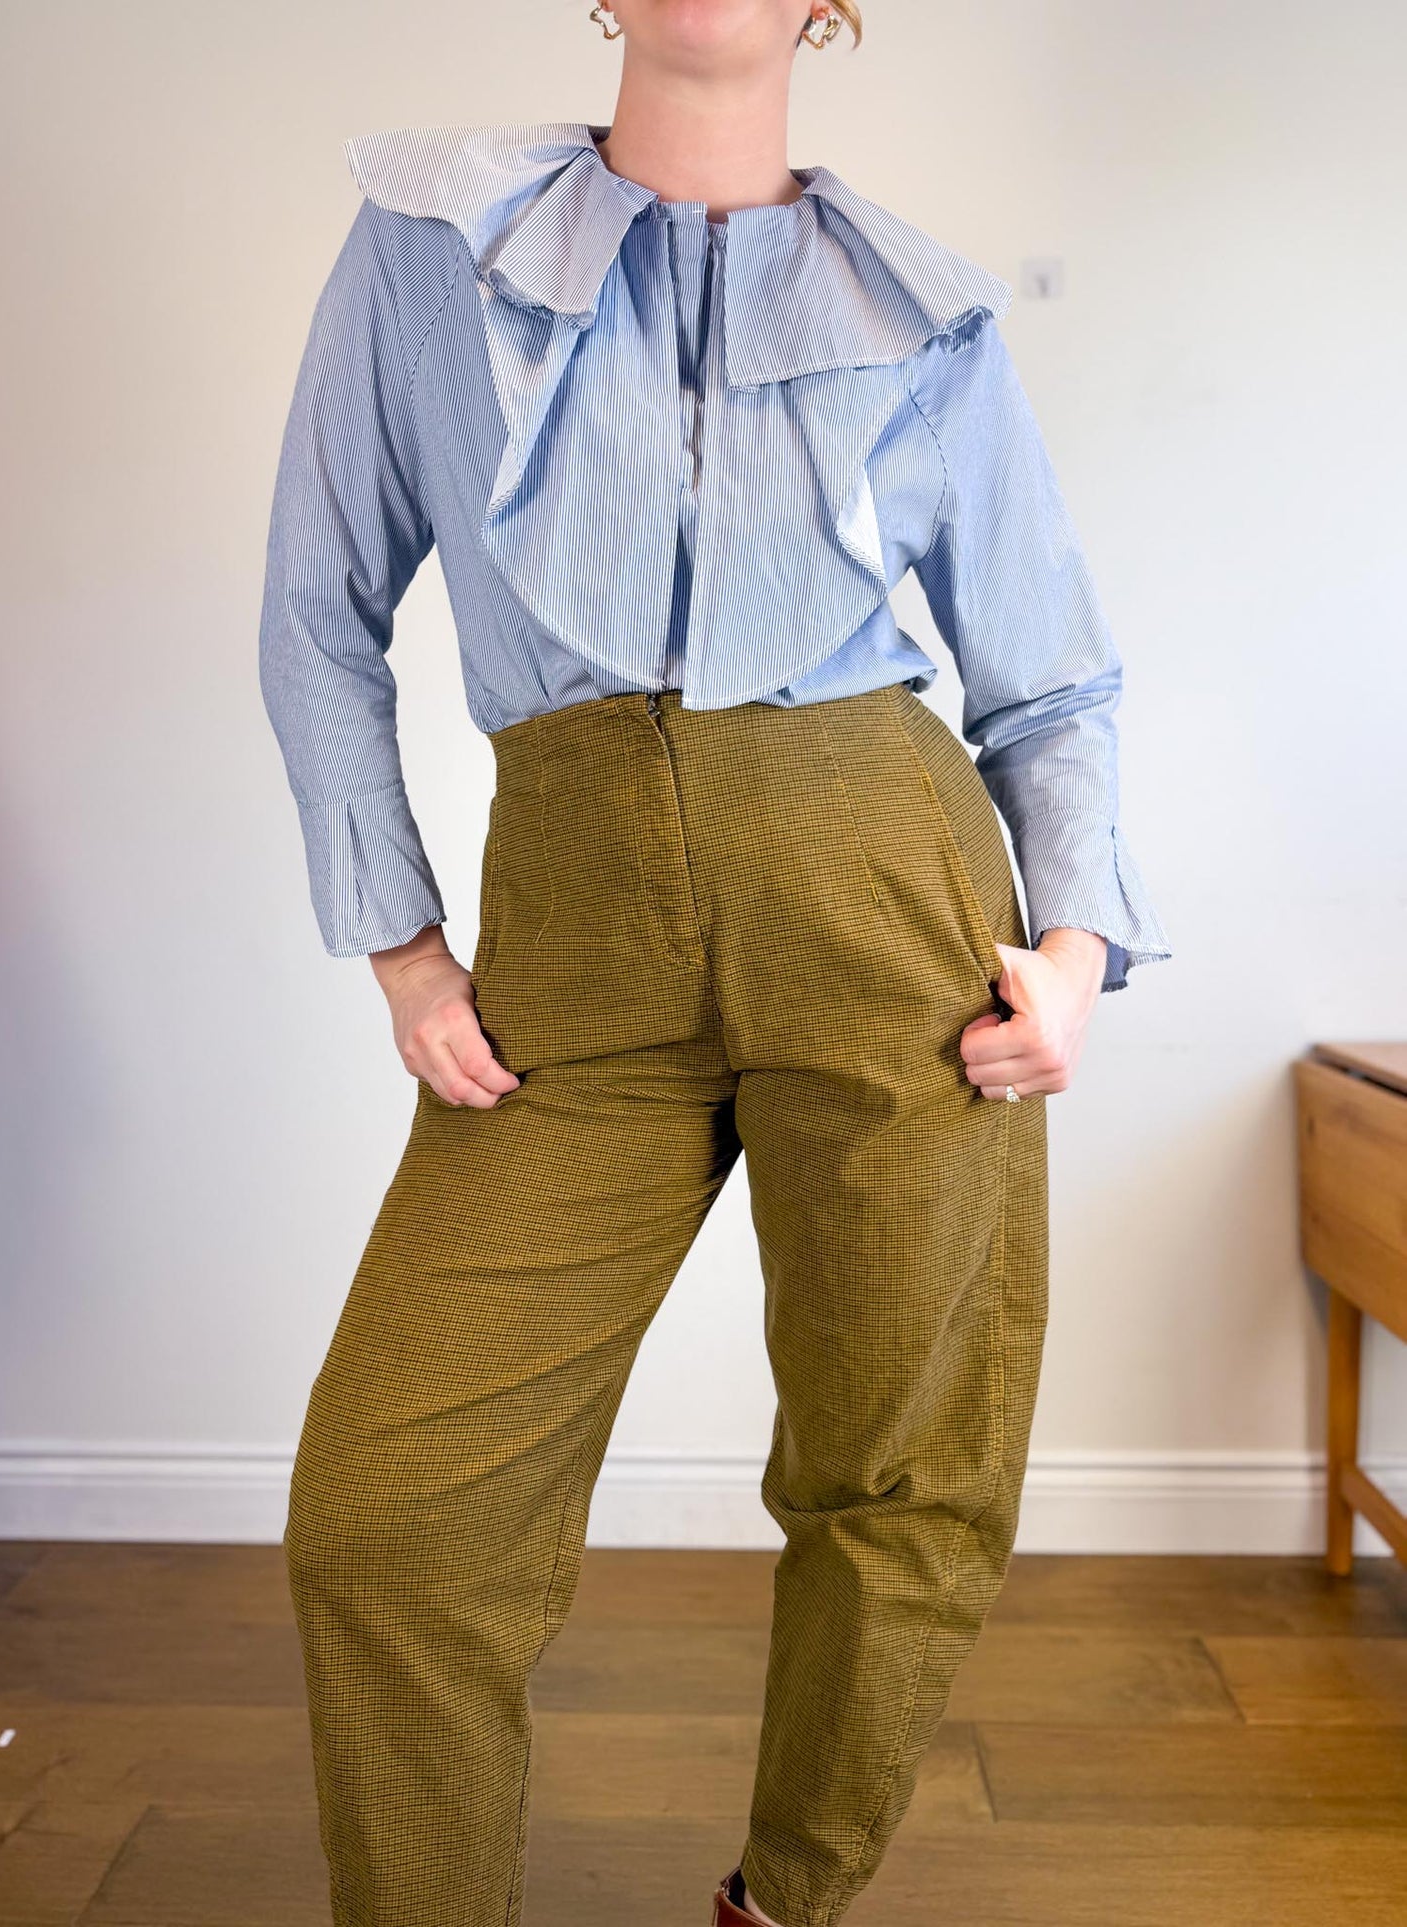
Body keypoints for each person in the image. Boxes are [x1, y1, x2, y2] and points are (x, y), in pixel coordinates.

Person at [257, 4, 1172, 1923]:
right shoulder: (427, 245)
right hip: (575, 948)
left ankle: (789, 1901)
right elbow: (318, 612)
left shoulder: (923, 317)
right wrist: (406, 951)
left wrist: (1074, 948)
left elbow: (1050, 674)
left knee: (897, 1469)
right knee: (389, 1515)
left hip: (889, 917)